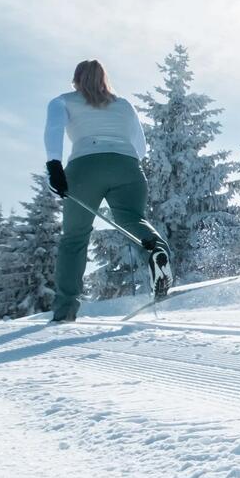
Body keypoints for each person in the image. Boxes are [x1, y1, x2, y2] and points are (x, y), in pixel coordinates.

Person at [42, 59, 171, 322]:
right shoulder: (123, 105)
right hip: (128, 166)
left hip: (85, 167)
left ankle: (65, 310)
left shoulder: (62, 101)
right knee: (134, 220)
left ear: (76, 80)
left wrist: (54, 164)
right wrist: (122, 161)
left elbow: (53, 130)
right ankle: (157, 251)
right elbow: (141, 146)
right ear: (105, 79)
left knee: (74, 238)